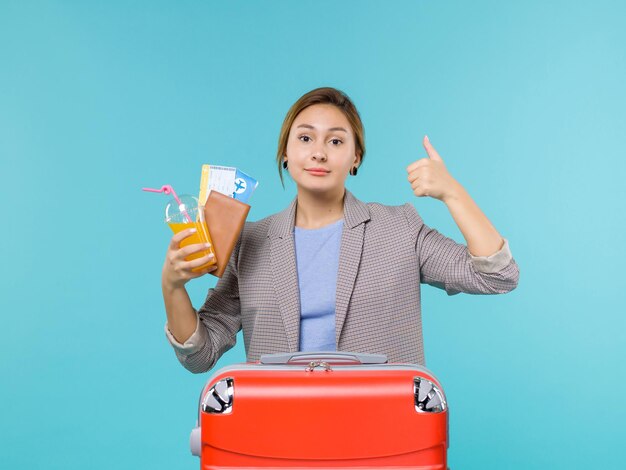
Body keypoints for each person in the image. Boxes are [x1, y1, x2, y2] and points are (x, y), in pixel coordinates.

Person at [161, 87, 519, 373]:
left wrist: (452, 192)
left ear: (355, 157)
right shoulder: (250, 243)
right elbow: (200, 355)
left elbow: (498, 276)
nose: (319, 153)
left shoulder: (400, 228)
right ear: (285, 152)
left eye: (335, 141)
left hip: (381, 439)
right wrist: (172, 286)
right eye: (305, 139)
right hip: (284, 439)